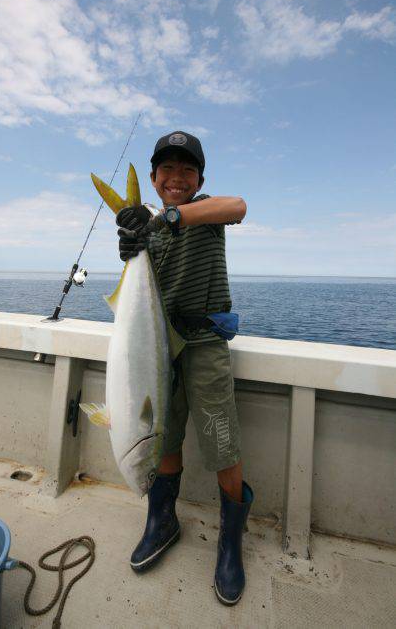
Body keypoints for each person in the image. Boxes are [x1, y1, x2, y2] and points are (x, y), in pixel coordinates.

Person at [116, 131, 254, 606]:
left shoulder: (204, 213)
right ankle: (163, 521)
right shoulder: (148, 231)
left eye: (186, 171)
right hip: (158, 345)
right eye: (167, 171)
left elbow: (237, 206)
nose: (176, 179)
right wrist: (133, 245)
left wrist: (169, 218)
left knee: (221, 440)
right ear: (153, 179)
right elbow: (137, 297)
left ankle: (230, 542)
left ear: (199, 180)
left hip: (204, 344)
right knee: (165, 435)